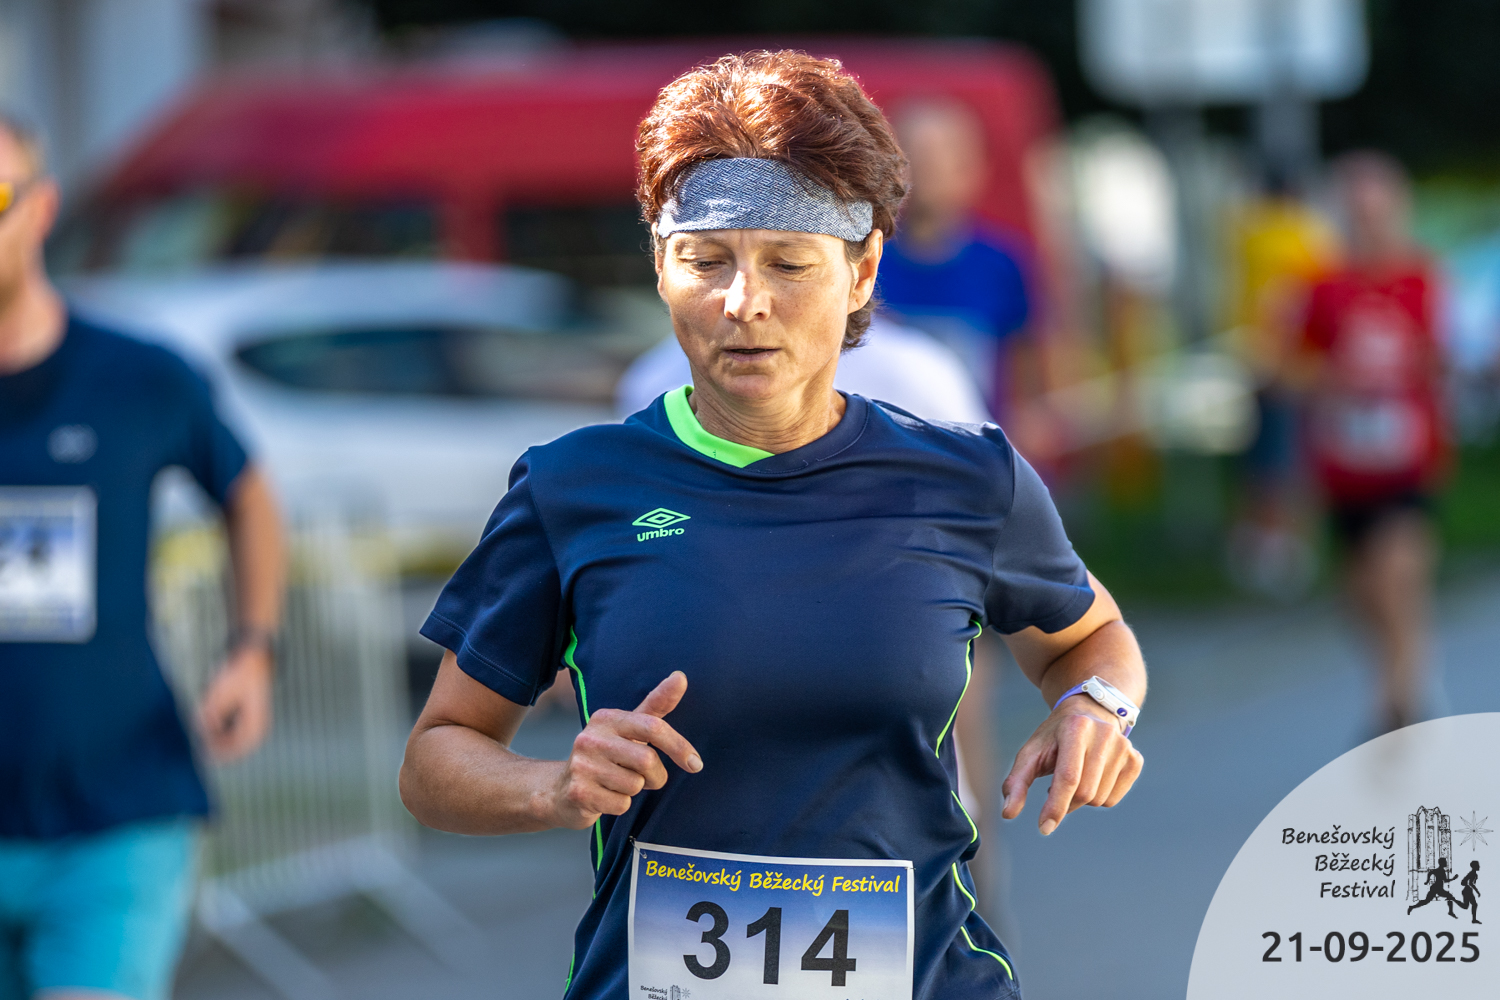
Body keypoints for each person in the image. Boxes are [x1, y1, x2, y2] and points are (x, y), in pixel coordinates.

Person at [400, 51, 1146, 1000]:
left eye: (788, 263)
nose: (742, 301)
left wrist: (1096, 706)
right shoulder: (573, 487)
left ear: (861, 272)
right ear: (661, 269)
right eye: (704, 261)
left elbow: (1090, 639)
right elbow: (435, 759)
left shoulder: (967, 479)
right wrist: (552, 786)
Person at [0, 116, 285, 1000]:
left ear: (42, 208)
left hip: (117, 813)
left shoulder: (138, 377)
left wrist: (251, 650)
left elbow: (247, 494)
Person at [1296, 152, 1449, 734]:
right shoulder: (1324, 288)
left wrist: (1420, 368)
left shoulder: (1424, 281)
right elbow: (1291, 368)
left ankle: (1401, 703)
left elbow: (1448, 357)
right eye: (1357, 213)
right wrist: (1334, 379)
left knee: (1396, 574)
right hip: (1345, 467)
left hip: (1408, 461)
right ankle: (1403, 677)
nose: (1369, 225)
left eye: (1378, 212)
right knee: (1360, 594)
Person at [877, 97, 1035, 418]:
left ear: (974, 168)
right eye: (915, 154)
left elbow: (1033, 373)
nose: (930, 169)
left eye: (945, 156)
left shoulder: (1002, 265)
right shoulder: (863, 261)